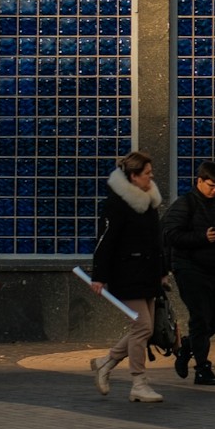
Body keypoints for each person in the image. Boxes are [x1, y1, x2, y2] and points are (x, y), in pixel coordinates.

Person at [89, 151, 169, 402]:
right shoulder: (117, 204)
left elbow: (157, 242)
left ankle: (106, 362)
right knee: (143, 327)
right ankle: (138, 383)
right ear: (134, 176)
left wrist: (162, 272)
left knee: (142, 329)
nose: (151, 176)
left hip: (148, 274)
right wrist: (98, 276)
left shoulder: (149, 201)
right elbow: (105, 241)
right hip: (126, 274)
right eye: (147, 173)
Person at [163, 160, 215, 386]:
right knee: (201, 318)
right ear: (199, 181)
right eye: (211, 185)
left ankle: (186, 348)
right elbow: (171, 234)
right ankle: (202, 368)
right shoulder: (185, 204)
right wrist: (202, 237)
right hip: (189, 269)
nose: (214, 190)